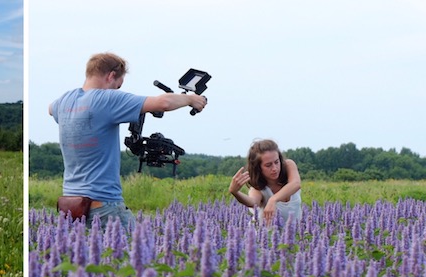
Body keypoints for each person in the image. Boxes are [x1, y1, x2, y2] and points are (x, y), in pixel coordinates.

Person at [50, 52, 208, 229]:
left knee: (83, 256)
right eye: (117, 86)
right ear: (111, 76)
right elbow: (162, 103)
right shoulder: (106, 99)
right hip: (104, 204)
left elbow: (50, 109)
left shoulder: (63, 102)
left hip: (71, 205)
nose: (116, 90)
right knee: (139, 252)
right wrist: (190, 99)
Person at [229, 139, 302, 224]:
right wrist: (235, 192)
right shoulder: (258, 188)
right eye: (268, 165)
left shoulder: (288, 165)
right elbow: (253, 202)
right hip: (265, 235)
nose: (274, 168)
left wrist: (273, 199)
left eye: (276, 162)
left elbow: (296, 184)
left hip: (293, 234)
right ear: (258, 168)